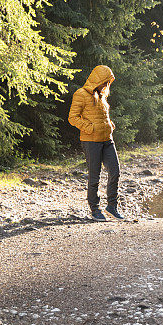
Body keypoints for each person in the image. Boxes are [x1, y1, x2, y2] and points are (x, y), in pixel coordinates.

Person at [68, 65, 124, 221]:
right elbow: (73, 117)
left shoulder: (101, 95)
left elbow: (99, 116)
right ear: (96, 79)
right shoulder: (81, 94)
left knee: (115, 171)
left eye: (108, 82)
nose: (106, 85)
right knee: (95, 177)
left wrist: (109, 124)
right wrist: (90, 128)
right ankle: (95, 209)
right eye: (104, 82)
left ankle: (111, 207)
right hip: (91, 141)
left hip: (107, 140)